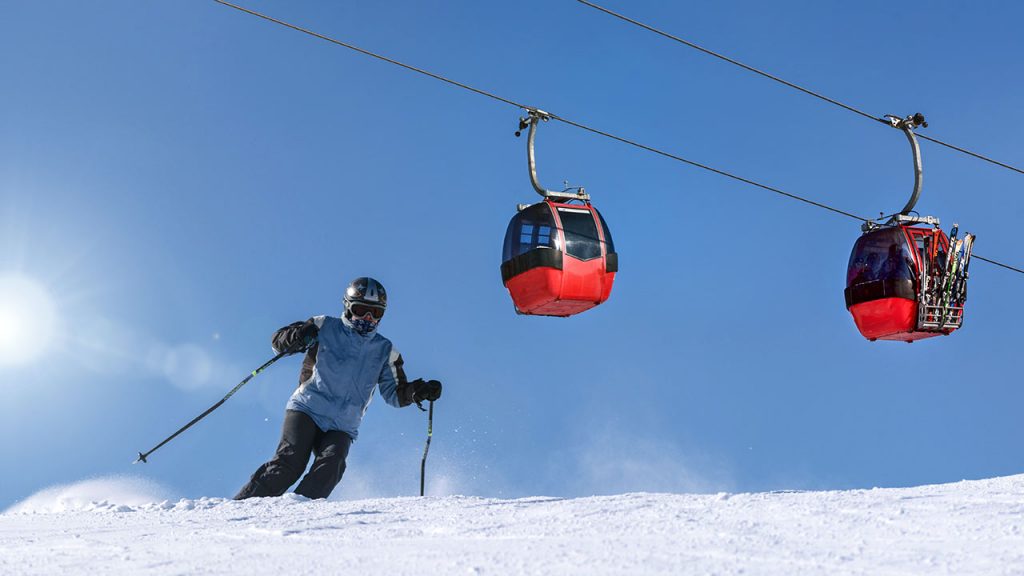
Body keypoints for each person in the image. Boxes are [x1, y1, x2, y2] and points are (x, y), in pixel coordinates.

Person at [234, 277, 442, 500]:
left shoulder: (385, 350)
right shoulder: (324, 326)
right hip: (307, 408)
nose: (368, 318)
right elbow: (278, 343)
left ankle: (298, 512)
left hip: (343, 424)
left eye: (375, 313)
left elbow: (395, 394)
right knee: (290, 463)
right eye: (361, 310)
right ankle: (243, 507)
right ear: (347, 306)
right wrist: (300, 336)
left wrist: (418, 391)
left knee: (332, 466)